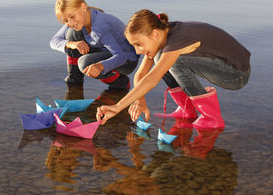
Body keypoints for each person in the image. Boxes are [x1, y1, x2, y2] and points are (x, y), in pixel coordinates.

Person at [96, 9, 251, 129]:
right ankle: (186, 110)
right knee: (161, 59)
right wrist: (140, 100)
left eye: (139, 44)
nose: (137, 51)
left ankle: (211, 119)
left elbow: (152, 78)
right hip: (222, 67)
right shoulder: (164, 34)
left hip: (236, 74)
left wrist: (117, 107)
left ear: (154, 34)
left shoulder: (176, 41)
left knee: (172, 62)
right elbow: (140, 74)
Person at [50, 0, 139, 91]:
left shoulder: (100, 27)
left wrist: (100, 66)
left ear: (83, 7)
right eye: (65, 20)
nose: (69, 22)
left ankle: (120, 82)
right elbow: (54, 41)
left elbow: (121, 57)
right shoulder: (83, 17)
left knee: (84, 63)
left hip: (126, 60)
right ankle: (75, 79)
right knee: (72, 34)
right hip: (107, 51)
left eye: (72, 16)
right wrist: (71, 44)